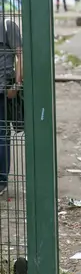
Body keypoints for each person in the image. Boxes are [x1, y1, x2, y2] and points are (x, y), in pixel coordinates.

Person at [0, 16, 21, 197]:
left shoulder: (8, 25)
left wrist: (17, 84)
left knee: (2, 135)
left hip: (3, 90)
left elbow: (20, 55)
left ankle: (2, 180)